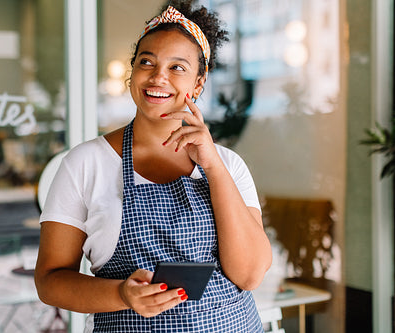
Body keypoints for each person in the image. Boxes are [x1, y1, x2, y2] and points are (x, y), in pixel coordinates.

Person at [35, 1, 272, 332]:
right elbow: (50, 282)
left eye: (177, 67)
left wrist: (213, 166)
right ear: (132, 72)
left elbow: (250, 274)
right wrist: (122, 294)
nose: (158, 76)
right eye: (147, 62)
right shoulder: (85, 164)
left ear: (199, 84)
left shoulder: (228, 165)